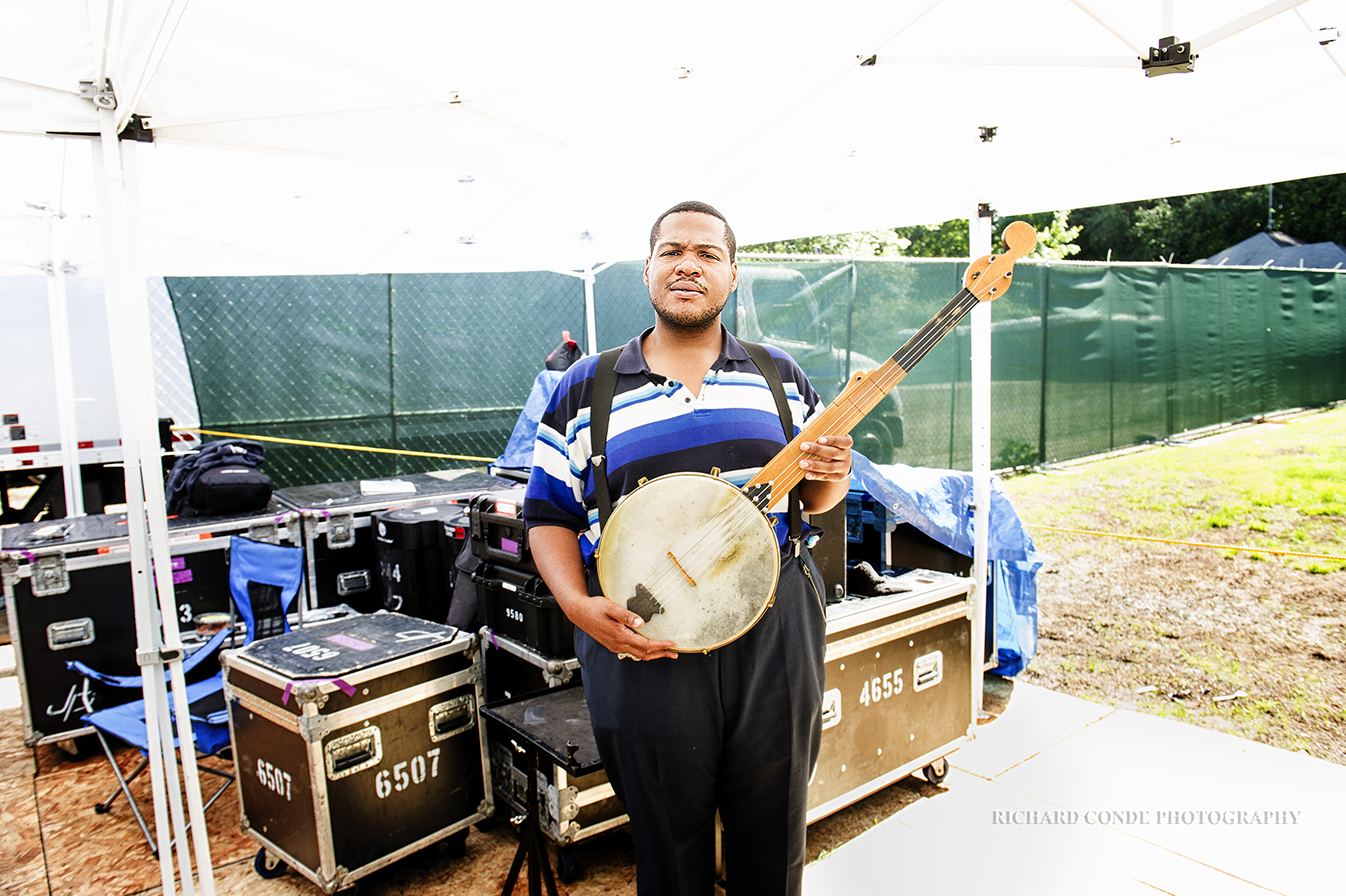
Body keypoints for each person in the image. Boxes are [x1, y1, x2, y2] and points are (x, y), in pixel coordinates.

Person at [522, 200, 853, 895]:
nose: (688, 265)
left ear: (732, 276)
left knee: (775, 831)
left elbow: (815, 500)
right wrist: (578, 606)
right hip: (647, 633)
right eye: (672, 251)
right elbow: (547, 512)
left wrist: (834, 477)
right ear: (647, 271)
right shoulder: (589, 386)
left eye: (707, 254)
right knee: (670, 848)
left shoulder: (780, 376)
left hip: (777, 626)